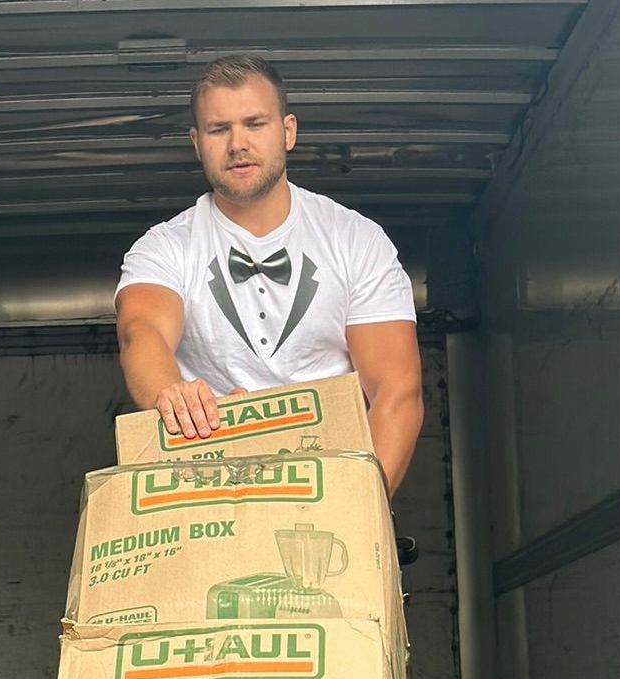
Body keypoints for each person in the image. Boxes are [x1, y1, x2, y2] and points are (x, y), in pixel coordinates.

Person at [114, 54, 424, 492]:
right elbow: (139, 329)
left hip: (330, 482)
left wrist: (363, 512)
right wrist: (169, 391)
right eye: (219, 129)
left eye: (255, 124)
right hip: (208, 486)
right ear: (197, 142)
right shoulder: (165, 245)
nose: (237, 144)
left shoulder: (356, 239)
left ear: (288, 131)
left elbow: (397, 392)